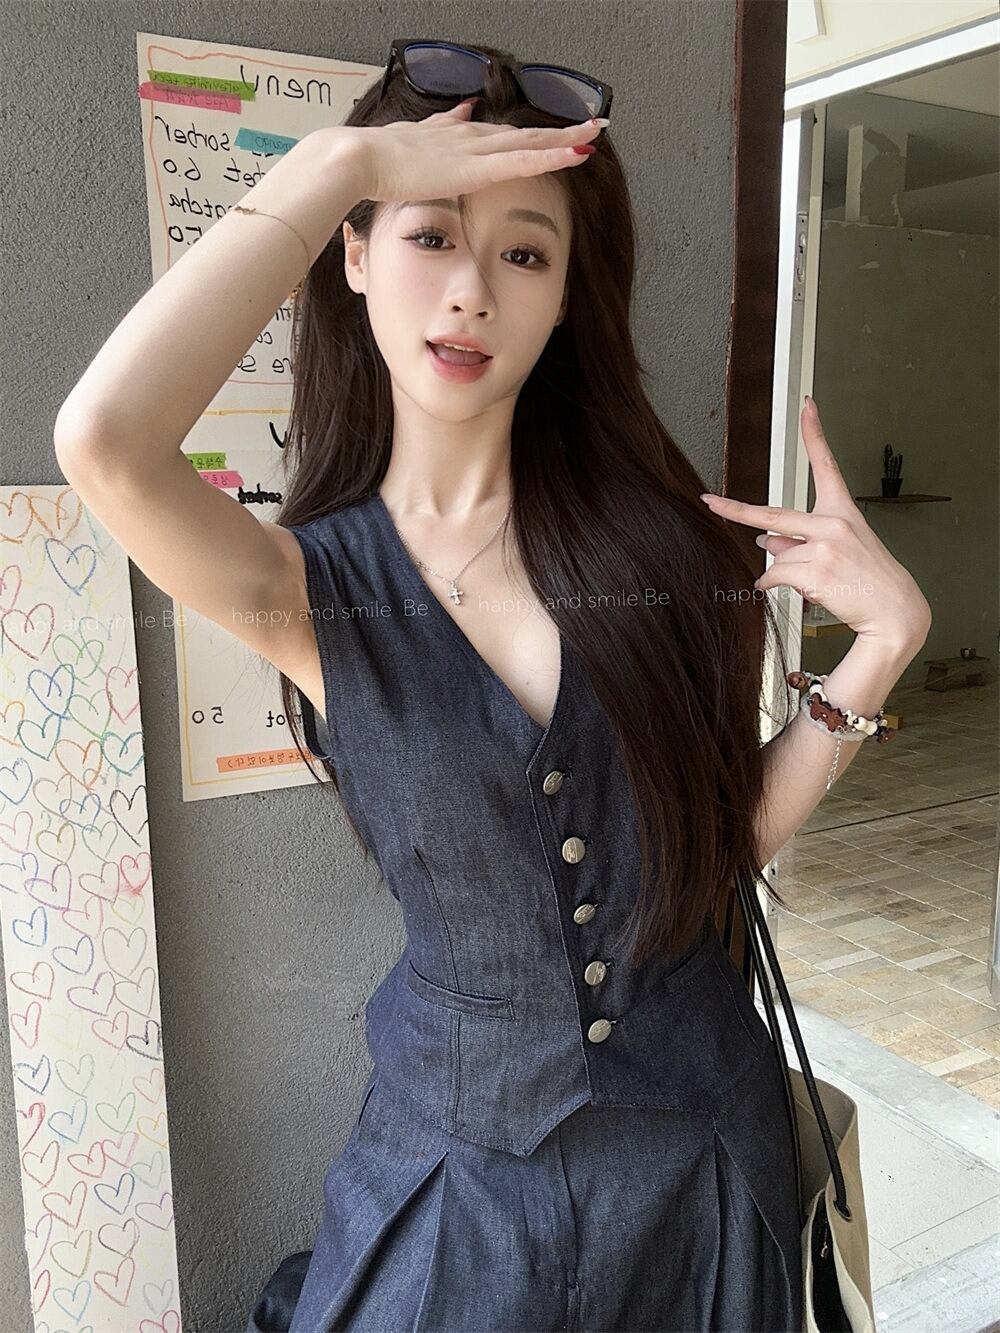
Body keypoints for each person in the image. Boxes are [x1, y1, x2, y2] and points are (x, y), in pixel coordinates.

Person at [54, 38, 931, 1333]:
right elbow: (106, 441)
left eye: (525, 254)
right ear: (353, 257)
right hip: (460, 1191)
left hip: (700, 1169)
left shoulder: (664, 552)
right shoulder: (310, 588)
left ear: (567, 296)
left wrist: (882, 647)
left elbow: (713, 848)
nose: (471, 291)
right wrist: (344, 162)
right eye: (429, 236)